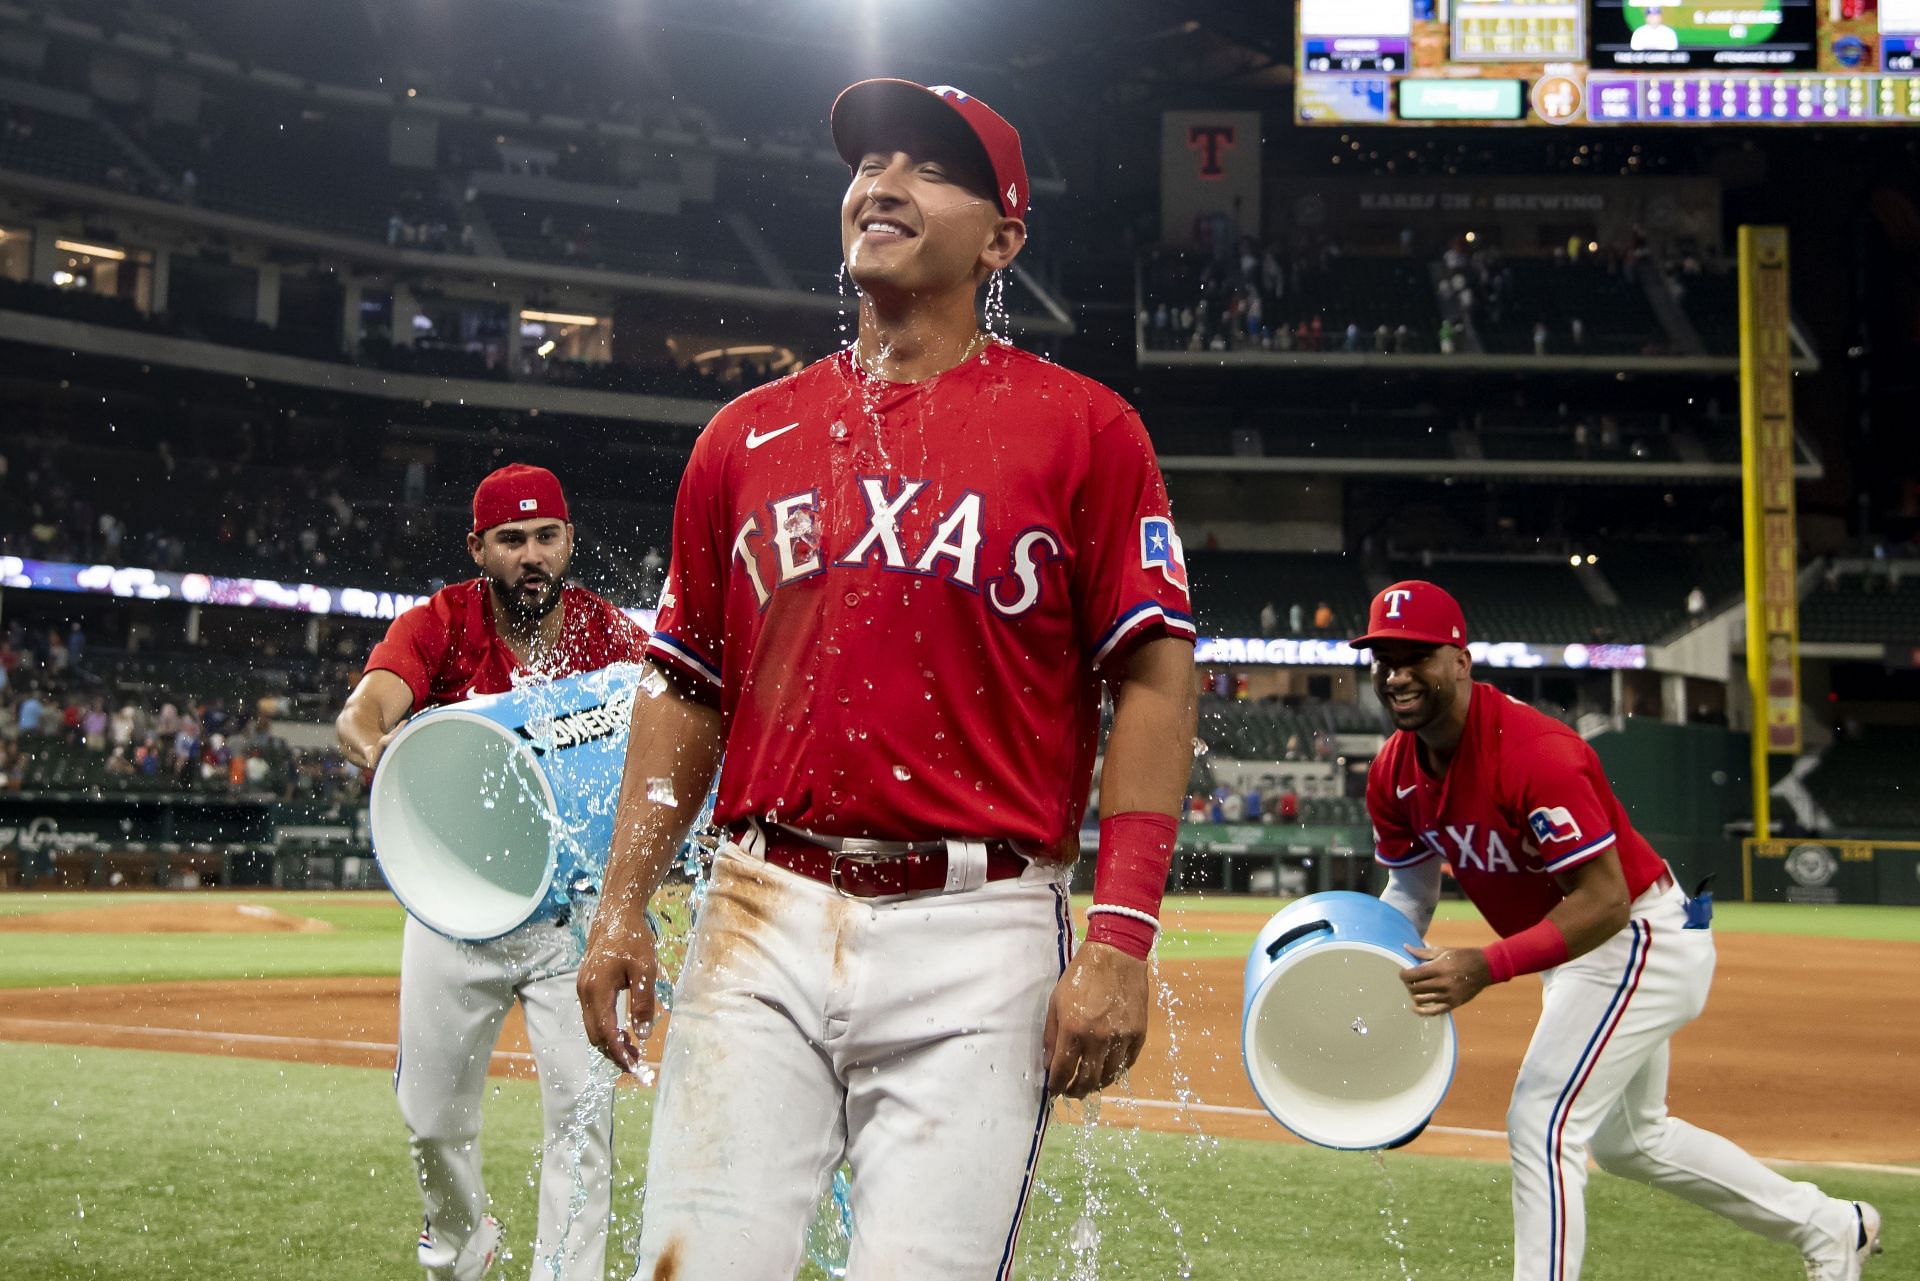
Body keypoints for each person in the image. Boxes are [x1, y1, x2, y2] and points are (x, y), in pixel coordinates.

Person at [576, 78, 1197, 1280]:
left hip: (983, 931)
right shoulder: (742, 436)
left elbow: (1157, 682)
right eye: (869, 163)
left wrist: (1119, 936)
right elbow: (686, 685)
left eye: (931, 168)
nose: (882, 182)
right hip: (758, 912)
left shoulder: (1086, 431)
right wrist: (622, 904)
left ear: (1003, 236)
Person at [1354, 580, 1881, 1281]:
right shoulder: (1393, 771)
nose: (1395, 673)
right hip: (1583, 950)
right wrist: (1362, 964)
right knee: (1633, 1141)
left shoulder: (1536, 752)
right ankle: (1831, 1226)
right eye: (1382, 657)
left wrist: (1486, 965)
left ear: (1460, 659)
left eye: (1413, 654)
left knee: (1541, 1121)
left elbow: (1601, 900)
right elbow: (1411, 890)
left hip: (1638, 937)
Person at [335, 464, 648, 1281]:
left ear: (570, 540)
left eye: (547, 536)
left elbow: (662, 728)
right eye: (512, 539)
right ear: (479, 547)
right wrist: (382, 751)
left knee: (582, 1128)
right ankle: (460, 1246)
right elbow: (366, 707)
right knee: (431, 1119)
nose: (533, 555)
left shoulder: (609, 632)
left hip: (566, 920)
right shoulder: (440, 621)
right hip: (455, 911)